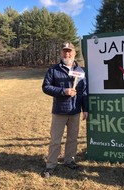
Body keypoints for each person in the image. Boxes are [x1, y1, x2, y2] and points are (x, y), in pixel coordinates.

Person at [41, 41, 88, 178]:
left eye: (69, 51)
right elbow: (46, 87)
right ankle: (50, 165)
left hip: (75, 111)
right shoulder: (54, 70)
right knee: (56, 139)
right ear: (61, 53)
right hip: (60, 111)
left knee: (72, 139)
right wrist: (63, 91)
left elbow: (84, 91)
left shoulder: (80, 71)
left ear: (74, 53)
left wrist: (85, 109)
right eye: (64, 51)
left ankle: (69, 160)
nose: (67, 53)